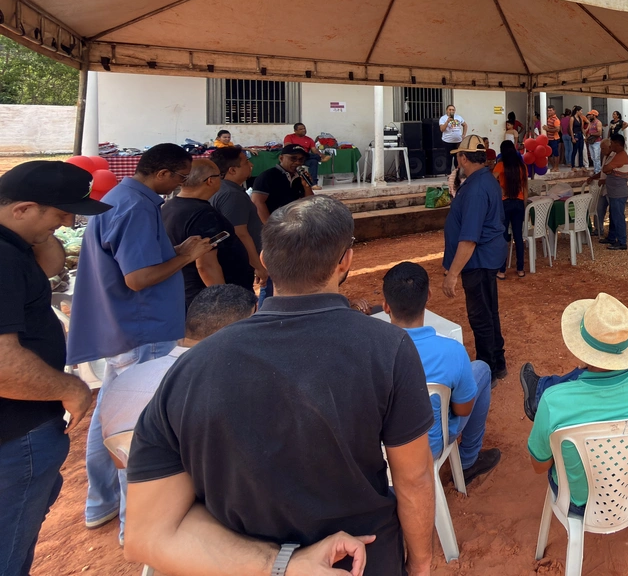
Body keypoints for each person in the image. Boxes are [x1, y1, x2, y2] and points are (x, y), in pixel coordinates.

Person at [125, 195, 436, 576]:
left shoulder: (190, 369)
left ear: (267, 262)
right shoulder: (388, 347)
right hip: (362, 558)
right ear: (346, 262)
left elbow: (146, 535)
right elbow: (414, 477)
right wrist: (420, 563)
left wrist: (281, 565)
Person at [66, 143, 211, 534]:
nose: (182, 185)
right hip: (141, 328)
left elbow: (136, 263)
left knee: (110, 415)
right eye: (181, 178)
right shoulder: (137, 207)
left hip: (124, 325)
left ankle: (102, 502)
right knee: (141, 422)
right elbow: (138, 277)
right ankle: (138, 521)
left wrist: (176, 250)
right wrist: (186, 256)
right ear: (163, 174)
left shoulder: (122, 197)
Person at [0, 161, 109, 576]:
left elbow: (47, 267)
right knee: (9, 548)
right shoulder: (3, 258)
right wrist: (71, 388)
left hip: (18, 429)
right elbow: (4, 366)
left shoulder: (13, 246)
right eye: (59, 213)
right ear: (23, 209)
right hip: (16, 432)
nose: (67, 223)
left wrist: (39, 233)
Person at [96, 284, 256, 544]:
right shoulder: (231, 382)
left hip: (144, 518)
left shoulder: (122, 383)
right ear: (251, 318)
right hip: (215, 523)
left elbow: (120, 461)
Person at [519, 293, 628, 511]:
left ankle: (539, 390)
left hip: (577, 501)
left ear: (582, 348)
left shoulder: (555, 401)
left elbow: (540, 467)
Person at [383, 262, 502, 484]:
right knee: (482, 370)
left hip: (381, 451)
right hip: (431, 446)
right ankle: (468, 461)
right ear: (428, 296)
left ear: (386, 306)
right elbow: (463, 408)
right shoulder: (451, 350)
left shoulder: (368, 351)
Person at [442, 135, 509, 381]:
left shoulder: (476, 188)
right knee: (489, 311)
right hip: (486, 259)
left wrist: (452, 274)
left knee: (481, 316)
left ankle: (487, 370)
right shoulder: (483, 180)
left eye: (458, 156)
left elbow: (469, 238)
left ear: (462, 157)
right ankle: (496, 363)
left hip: (478, 261)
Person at [162, 159, 256, 309]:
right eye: (220, 176)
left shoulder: (169, 206)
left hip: (188, 292)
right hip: (209, 300)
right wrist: (223, 303)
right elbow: (206, 265)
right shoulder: (202, 214)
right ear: (210, 181)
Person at [250, 143, 313, 300]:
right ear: (281, 158)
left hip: (294, 232)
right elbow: (258, 202)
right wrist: (272, 228)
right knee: (272, 279)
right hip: (274, 234)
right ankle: (266, 314)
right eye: (293, 158)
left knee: (293, 275)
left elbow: (310, 202)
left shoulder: (299, 178)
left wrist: (306, 186)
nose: (297, 163)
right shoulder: (268, 176)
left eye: (301, 159)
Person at [209, 147, 268, 292]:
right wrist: (258, 266)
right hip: (237, 263)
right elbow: (239, 233)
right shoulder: (231, 195)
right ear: (232, 170)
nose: (251, 165)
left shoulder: (224, 190)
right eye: (247, 162)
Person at [494, 140, 528, 278]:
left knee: (503, 237)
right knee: (518, 237)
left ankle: (501, 270)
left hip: (505, 203)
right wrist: (524, 204)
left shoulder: (500, 165)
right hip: (519, 202)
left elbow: (491, 180)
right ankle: (520, 269)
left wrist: (500, 188)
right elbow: (525, 188)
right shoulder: (522, 166)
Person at [601, 133, 628, 251]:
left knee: (618, 217)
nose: (611, 145)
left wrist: (610, 171)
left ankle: (622, 241)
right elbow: (606, 169)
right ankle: (612, 237)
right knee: (613, 216)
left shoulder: (621, 156)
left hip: (618, 192)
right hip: (614, 191)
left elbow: (606, 168)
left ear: (617, 144)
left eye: (612, 143)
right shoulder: (616, 155)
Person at [585, 110, 604, 174]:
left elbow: (599, 133)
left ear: (594, 115)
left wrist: (591, 134)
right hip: (591, 142)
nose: (589, 116)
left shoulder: (598, 123)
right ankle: (596, 170)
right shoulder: (590, 123)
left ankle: (598, 171)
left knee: (597, 157)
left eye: (590, 115)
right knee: (593, 157)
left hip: (597, 142)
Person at [543, 106, 561, 171]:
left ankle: (556, 167)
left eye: (550, 110)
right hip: (548, 139)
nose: (549, 112)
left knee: (555, 153)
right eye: (548, 110)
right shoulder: (548, 118)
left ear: (554, 111)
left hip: (554, 138)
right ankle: (554, 166)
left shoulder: (556, 119)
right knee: (549, 154)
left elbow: (557, 129)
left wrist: (548, 129)